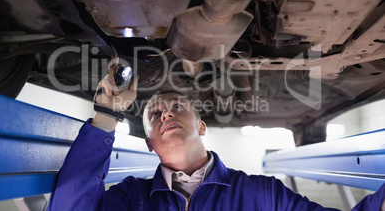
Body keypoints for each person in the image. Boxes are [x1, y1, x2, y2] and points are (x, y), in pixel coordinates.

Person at [47, 61, 385, 211]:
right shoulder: (132, 198)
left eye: (177, 106)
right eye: (154, 114)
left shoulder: (262, 195)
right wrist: (107, 115)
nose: (165, 113)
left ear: (202, 126)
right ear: (149, 142)